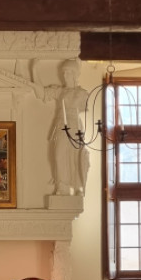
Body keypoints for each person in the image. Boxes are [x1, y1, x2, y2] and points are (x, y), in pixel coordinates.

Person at [40, 59, 90, 196]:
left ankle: (78, 187)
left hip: (75, 125)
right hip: (60, 125)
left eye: (68, 72)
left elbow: (83, 109)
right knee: (59, 155)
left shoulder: (82, 93)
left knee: (76, 156)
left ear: (75, 74)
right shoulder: (60, 91)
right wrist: (33, 69)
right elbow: (41, 92)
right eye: (64, 73)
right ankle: (62, 186)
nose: (65, 75)